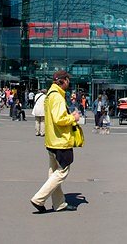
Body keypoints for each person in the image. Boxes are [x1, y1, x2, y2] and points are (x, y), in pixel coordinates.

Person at [30, 71, 82, 214]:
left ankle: (59, 204)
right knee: (63, 171)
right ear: (64, 81)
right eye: (68, 80)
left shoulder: (50, 95)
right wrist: (73, 117)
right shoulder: (57, 97)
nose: (69, 83)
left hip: (51, 140)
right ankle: (39, 199)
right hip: (60, 140)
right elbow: (59, 119)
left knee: (53, 172)